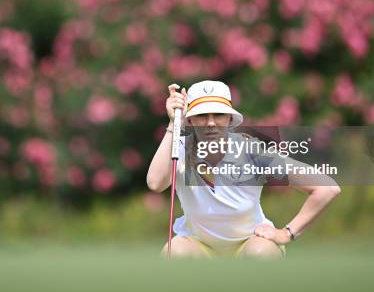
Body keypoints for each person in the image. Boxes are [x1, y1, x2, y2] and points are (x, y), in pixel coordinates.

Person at [146, 80, 341, 258]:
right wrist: (173, 124)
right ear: (190, 120)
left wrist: (286, 233)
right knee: (175, 253)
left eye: (219, 115)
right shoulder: (178, 147)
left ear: (230, 120)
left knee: (259, 253)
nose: (211, 122)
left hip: (249, 244)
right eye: (202, 115)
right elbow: (155, 183)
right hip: (198, 247)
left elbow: (326, 188)